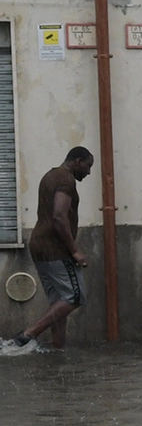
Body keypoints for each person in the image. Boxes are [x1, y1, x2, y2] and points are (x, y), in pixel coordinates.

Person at [7, 147, 94, 350]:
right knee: (74, 297)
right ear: (78, 161)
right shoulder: (66, 179)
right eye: (88, 166)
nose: (89, 172)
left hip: (40, 246)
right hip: (55, 248)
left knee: (59, 301)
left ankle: (58, 349)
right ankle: (27, 335)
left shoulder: (50, 175)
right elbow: (58, 215)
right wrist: (74, 250)